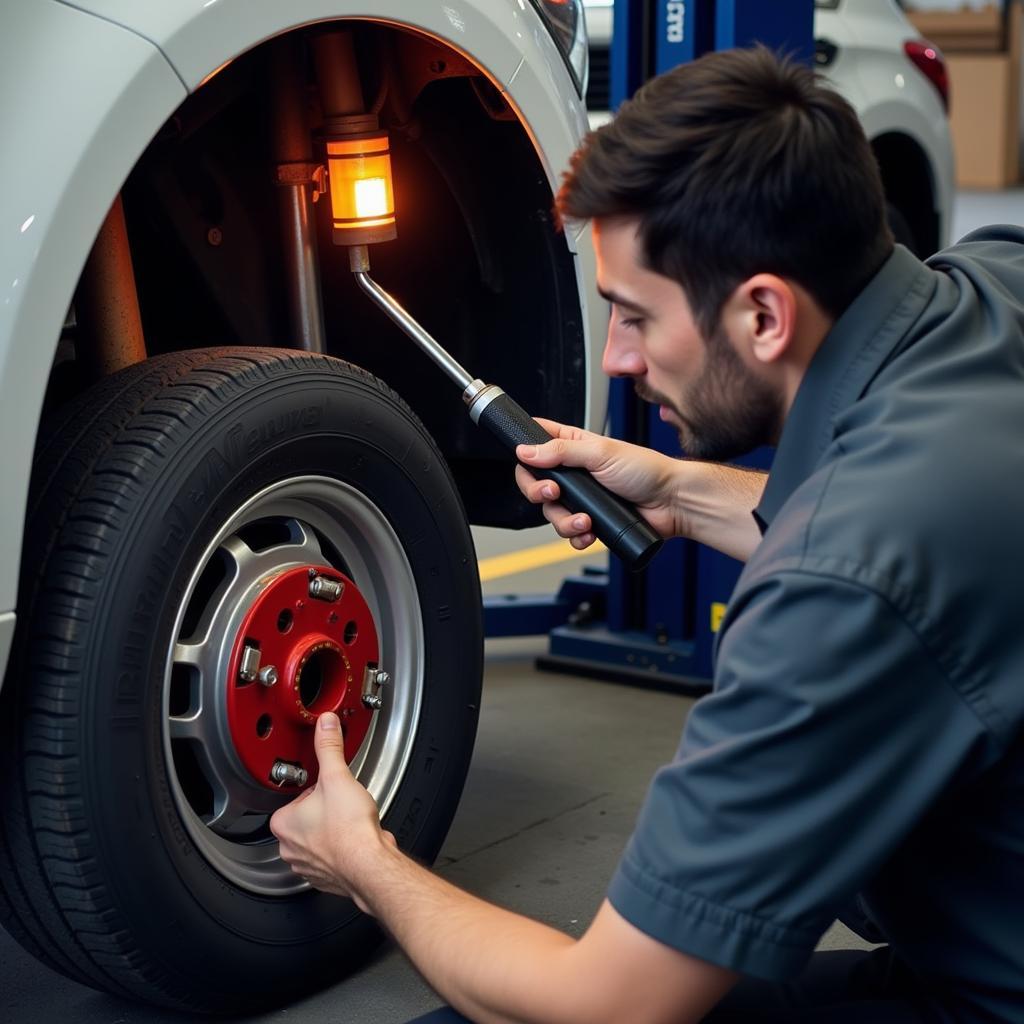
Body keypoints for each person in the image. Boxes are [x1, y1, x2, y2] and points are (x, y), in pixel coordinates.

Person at [271, 46, 1024, 1023]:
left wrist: (363, 862)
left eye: (632, 316)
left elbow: (610, 1005)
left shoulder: (834, 584)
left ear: (762, 313)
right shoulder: (991, 284)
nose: (618, 362)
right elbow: (920, 567)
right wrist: (677, 490)